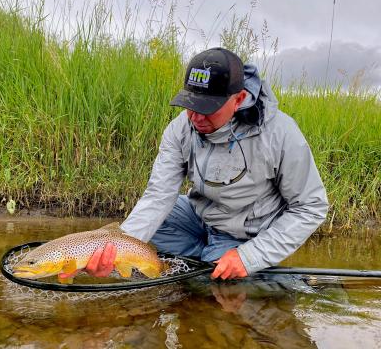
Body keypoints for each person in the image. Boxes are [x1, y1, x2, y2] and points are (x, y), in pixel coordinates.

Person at [60, 47, 329, 281]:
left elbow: (311, 207)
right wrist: (117, 249)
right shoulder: (179, 130)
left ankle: (225, 263)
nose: (196, 117)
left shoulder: (280, 134)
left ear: (239, 99)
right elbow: (158, 196)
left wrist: (249, 257)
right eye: (190, 103)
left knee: (216, 293)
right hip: (197, 217)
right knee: (142, 230)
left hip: (246, 233)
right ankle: (205, 259)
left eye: (207, 107)